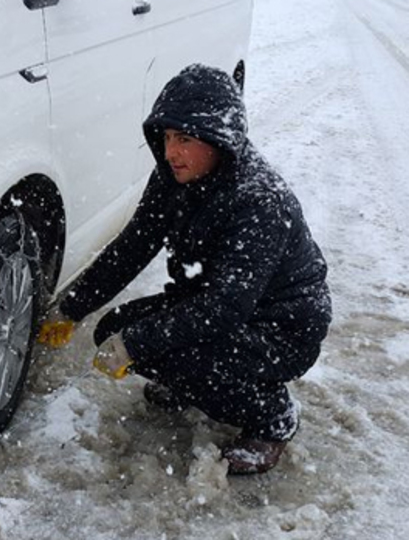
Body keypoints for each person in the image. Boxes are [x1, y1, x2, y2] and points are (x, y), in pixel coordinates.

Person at [39, 64, 332, 475]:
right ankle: (194, 382)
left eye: (186, 139)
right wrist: (73, 308)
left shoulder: (259, 202)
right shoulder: (174, 177)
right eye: (168, 137)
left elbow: (224, 308)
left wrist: (138, 344)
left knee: (170, 353)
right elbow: (133, 247)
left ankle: (273, 417)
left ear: (219, 140)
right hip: (213, 304)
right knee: (113, 329)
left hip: (282, 328)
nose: (172, 151)